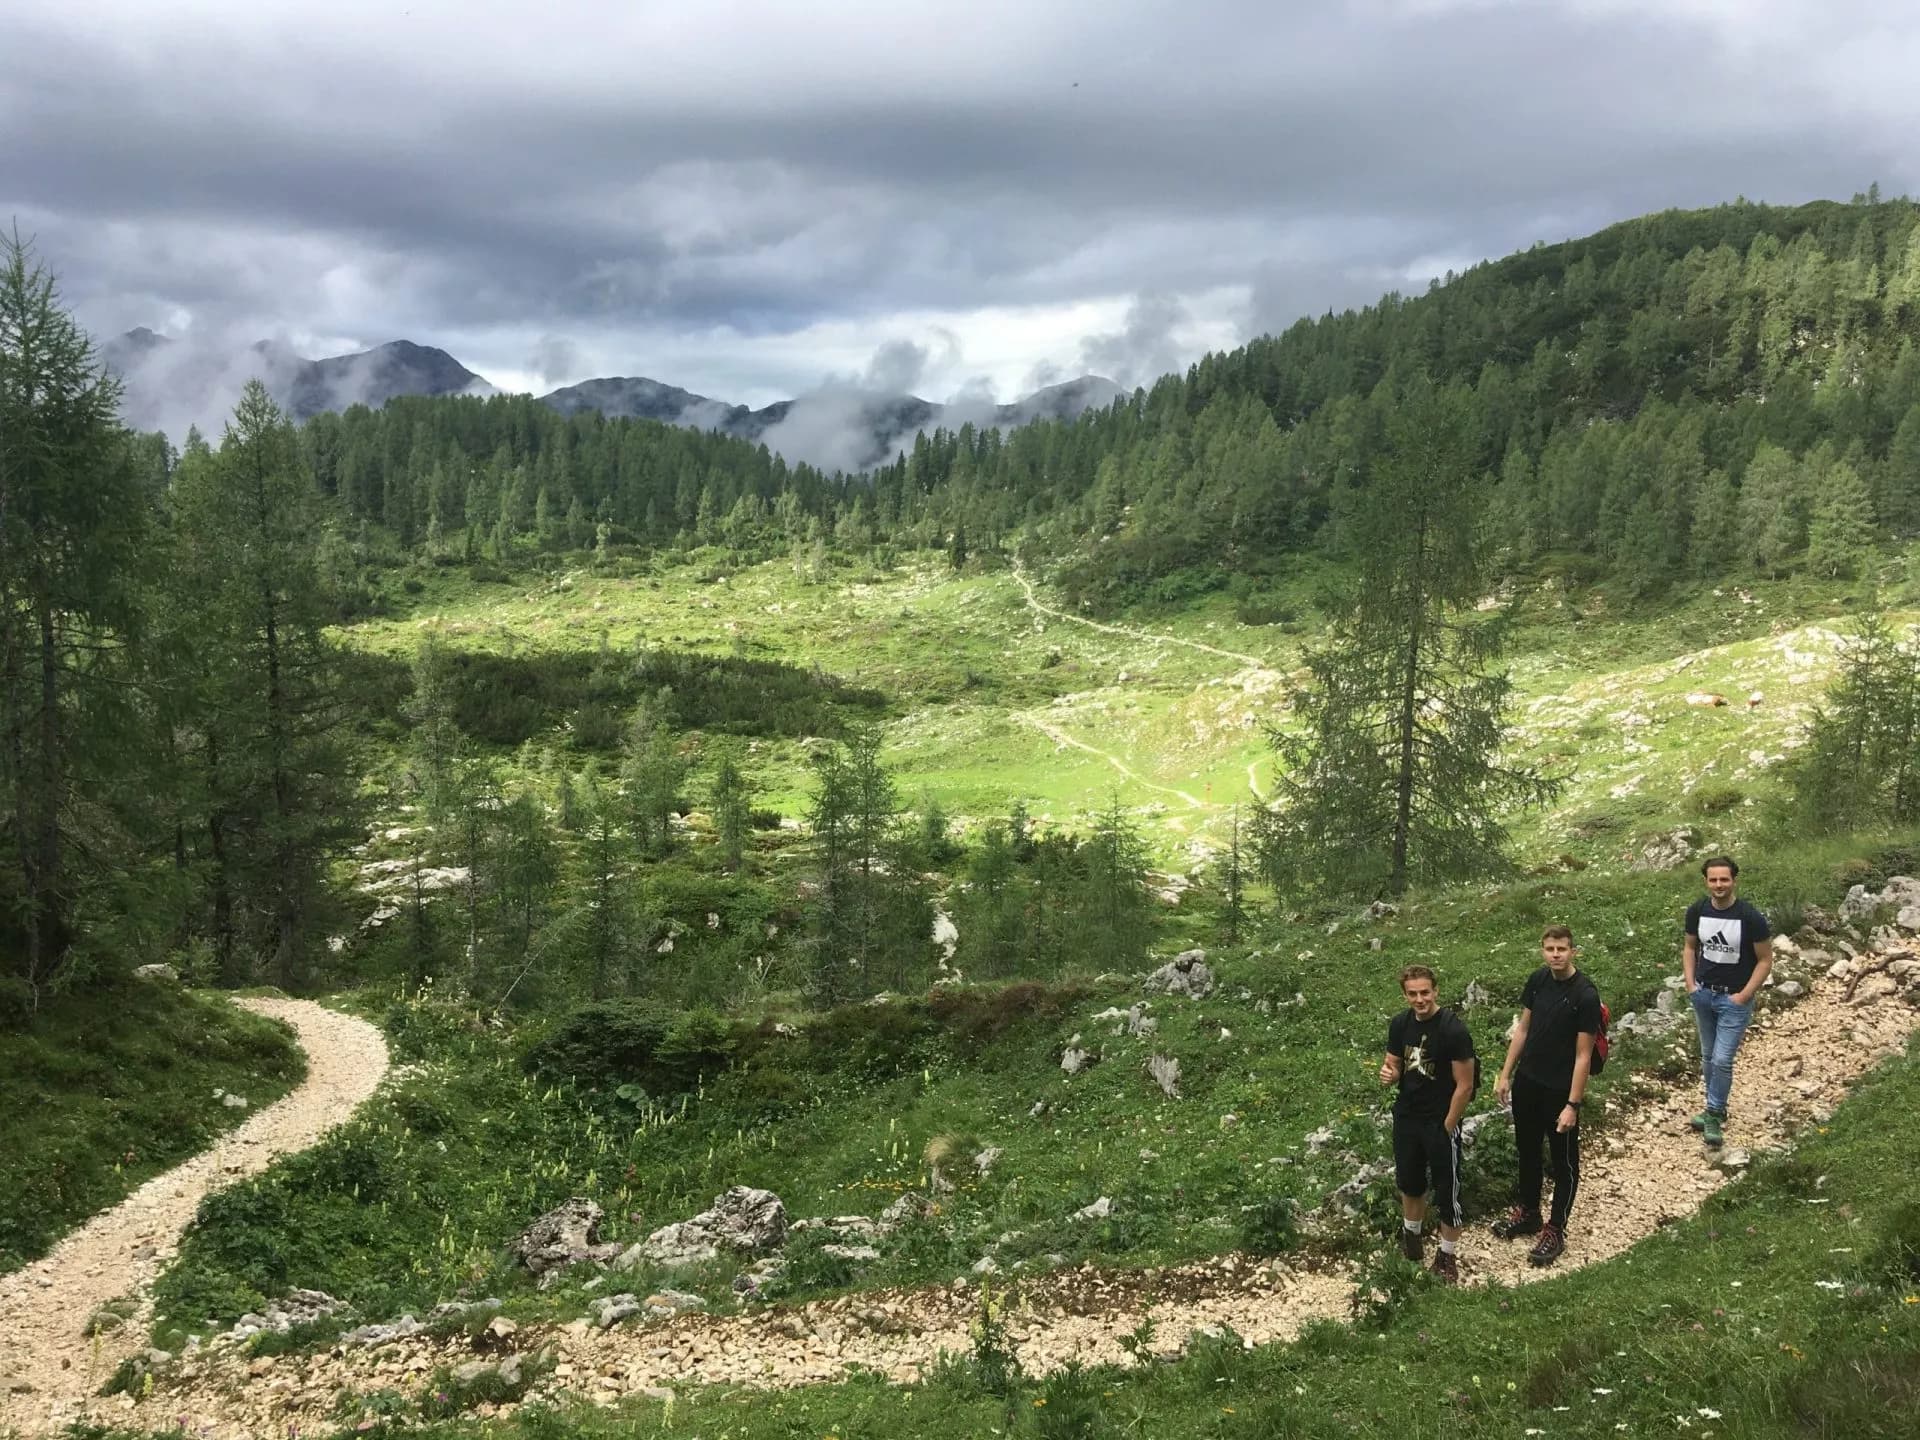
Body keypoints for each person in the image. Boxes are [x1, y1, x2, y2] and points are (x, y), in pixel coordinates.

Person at [1491, 926, 1601, 1267]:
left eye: (1562, 949)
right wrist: (1505, 1074)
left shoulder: (1585, 995)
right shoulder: (1538, 980)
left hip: (1559, 1089)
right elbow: (1523, 1028)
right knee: (1527, 1150)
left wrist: (1573, 1104)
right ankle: (1529, 1212)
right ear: (1543, 950)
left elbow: (1583, 1055)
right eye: (1550, 949)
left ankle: (1556, 1229)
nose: (1556, 954)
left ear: (1573, 951)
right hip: (1528, 1081)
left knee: (1563, 1161)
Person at [1379, 964, 1476, 1282]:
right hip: (1407, 1116)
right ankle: (1412, 1241)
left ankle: (1447, 1256)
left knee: (1448, 1190)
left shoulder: (1452, 1030)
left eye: (1425, 992)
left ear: (1435, 991)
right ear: (1405, 995)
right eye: (1413, 994)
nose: (1419, 999)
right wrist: (1389, 1074)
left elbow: (1465, 1086)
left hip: (1439, 1119)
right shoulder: (1400, 1024)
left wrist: (1447, 1126)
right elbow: (1394, 1064)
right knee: (1409, 1182)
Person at [1682, 855, 1772, 1149]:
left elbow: (1765, 960)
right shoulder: (1697, 910)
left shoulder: (1750, 917)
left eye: (1724, 879)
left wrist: (1744, 995)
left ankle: (1714, 1112)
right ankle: (1715, 1108)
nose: (1719, 885)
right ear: (1706, 881)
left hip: (1734, 998)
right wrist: (1691, 984)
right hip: (1703, 994)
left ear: (1734, 880)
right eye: (1713, 879)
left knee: (1722, 1059)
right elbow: (1689, 947)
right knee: (1708, 1056)